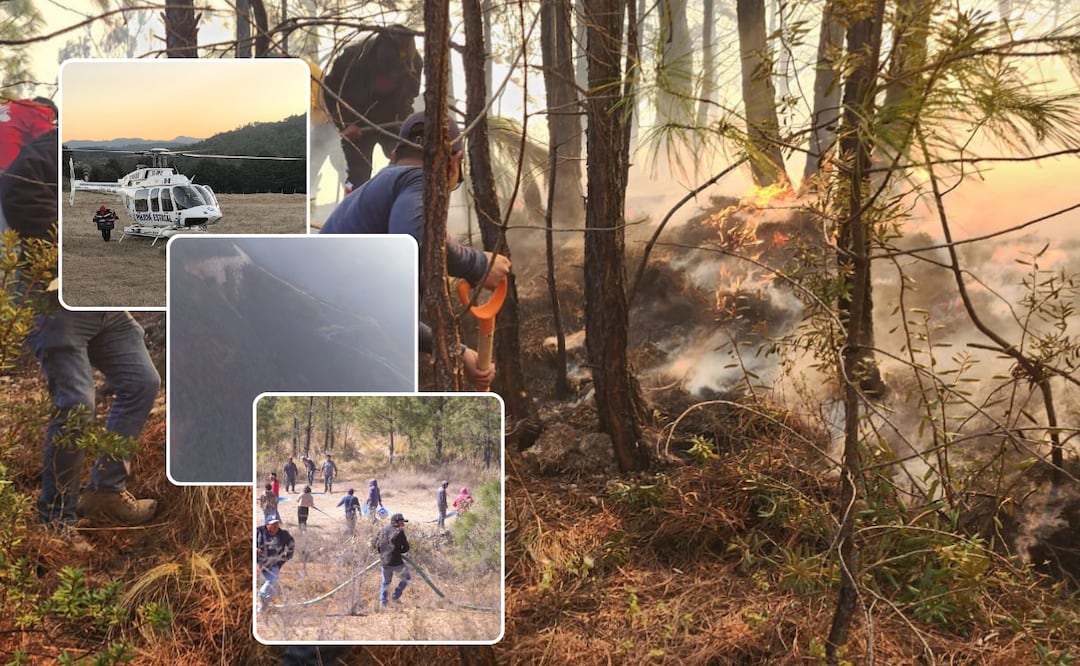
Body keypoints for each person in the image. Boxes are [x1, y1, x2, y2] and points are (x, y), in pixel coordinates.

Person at [1, 128, 160, 532]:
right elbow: (18, 195)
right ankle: (55, 522)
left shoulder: (120, 152)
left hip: (102, 303)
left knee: (141, 381)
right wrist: (65, 248)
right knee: (75, 404)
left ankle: (106, 490)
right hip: (54, 298)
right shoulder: (46, 150)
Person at [319, 110, 512, 389]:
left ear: (394, 155)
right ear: (455, 162)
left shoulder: (379, 192)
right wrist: (477, 264)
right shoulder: (418, 182)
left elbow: (385, 317)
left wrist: (458, 352)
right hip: (343, 345)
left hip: (327, 333)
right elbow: (417, 243)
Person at [0, 97, 56, 234]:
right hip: (7, 167)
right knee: (6, 226)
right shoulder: (41, 110)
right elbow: (46, 142)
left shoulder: (8, 105)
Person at [256, 516, 295, 613]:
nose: (275, 527)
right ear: (267, 525)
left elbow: (291, 544)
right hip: (258, 563)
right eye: (273, 525)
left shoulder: (283, 534)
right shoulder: (258, 532)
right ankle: (260, 601)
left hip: (273, 564)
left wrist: (285, 557)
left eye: (277, 524)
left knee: (273, 582)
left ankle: (262, 603)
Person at [373, 513, 411, 609]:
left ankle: (383, 603)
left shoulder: (383, 531)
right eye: (402, 521)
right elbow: (406, 548)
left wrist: (383, 553)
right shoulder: (399, 532)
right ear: (397, 522)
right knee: (406, 578)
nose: (403, 523)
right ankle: (395, 596)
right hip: (396, 562)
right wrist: (398, 552)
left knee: (385, 582)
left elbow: (374, 544)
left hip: (384, 562)